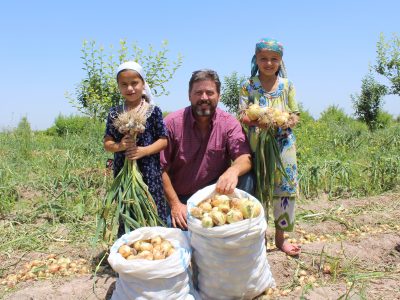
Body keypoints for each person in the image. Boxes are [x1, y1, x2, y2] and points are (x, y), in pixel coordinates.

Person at [160, 69, 254, 230]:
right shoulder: (171, 123)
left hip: (216, 198)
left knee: (247, 177)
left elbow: (245, 157)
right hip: (180, 199)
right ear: (189, 95)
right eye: (198, 92)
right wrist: (175, 204)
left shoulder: (228, 123)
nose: (204, 97)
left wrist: (233, 171)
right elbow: (159, 168)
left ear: (219, 96)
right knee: (180, 237)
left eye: (209, 92)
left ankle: (239, 226)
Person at [239, 38, 301, 256]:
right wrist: (259, 121)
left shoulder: (287, 85)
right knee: (260, 190)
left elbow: (295, 114)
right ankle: (260, 238)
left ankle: (280, 238)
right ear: (256, 59)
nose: (268, 63)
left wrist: (284, 120)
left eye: (274, 59)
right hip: (258, 147)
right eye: (263, 58)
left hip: (284, 146)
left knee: (285, 190)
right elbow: (243, 115)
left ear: (280, 61)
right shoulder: (249, 85)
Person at [103, 61, 169, 230]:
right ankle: (129, 242)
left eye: (134, 83)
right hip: (123, 172)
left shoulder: (153, 111)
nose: (130, 88)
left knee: (151, 205)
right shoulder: (114, 113)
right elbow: (107, 143)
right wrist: (120, 146)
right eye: (124, 84)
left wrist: (144, 151)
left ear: (143, 84)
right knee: (128, 205)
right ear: (118, 87)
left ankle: (156, 241)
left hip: (149, 172)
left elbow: (164, 140)